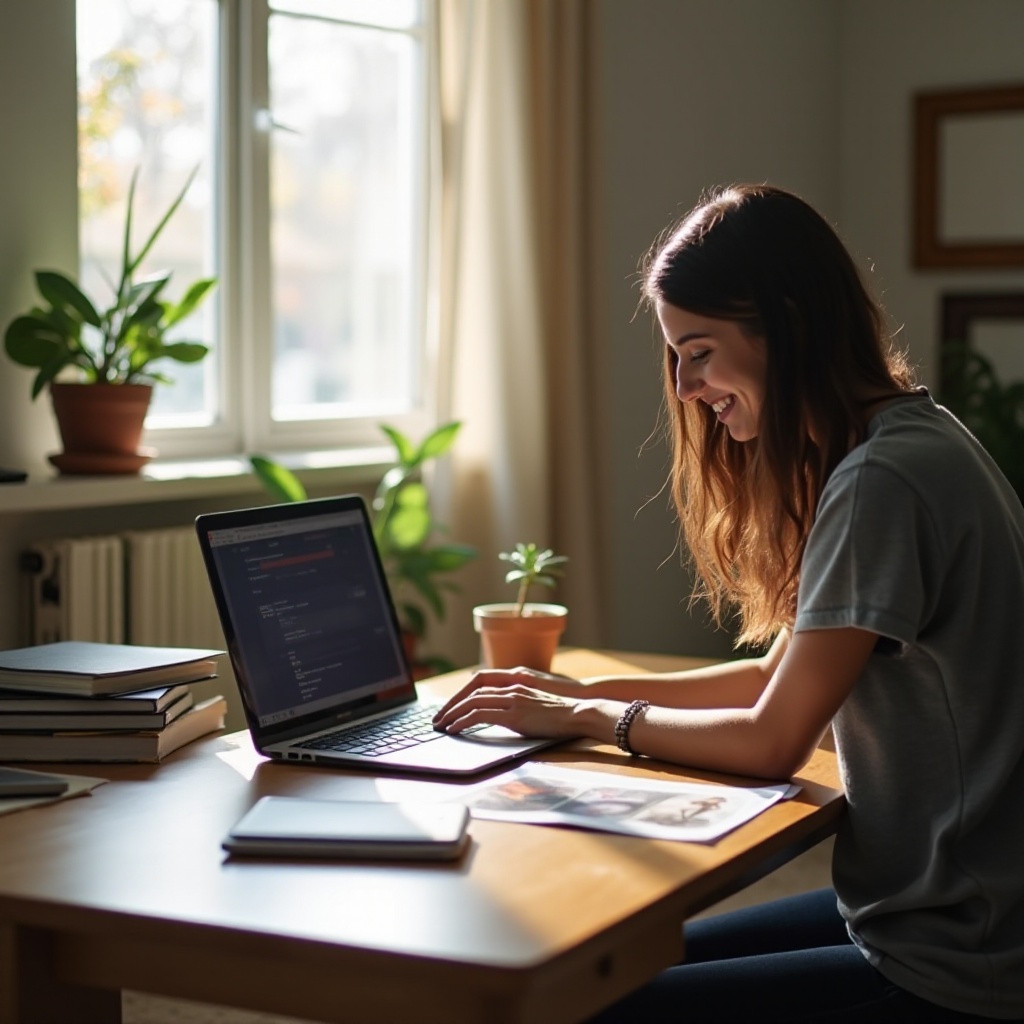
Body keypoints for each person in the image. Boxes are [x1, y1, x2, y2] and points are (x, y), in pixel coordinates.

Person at [433, 183, 1024, 1022]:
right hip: (934, 913)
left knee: (583, 1007)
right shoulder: (906, 442)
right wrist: (574, 696)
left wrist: (597, 723)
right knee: (584, 975)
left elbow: (774, 738)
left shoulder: (881, 482)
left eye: (699, 351)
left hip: (960, 959)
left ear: (785, 322)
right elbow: (768, 682)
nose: (682, 386)